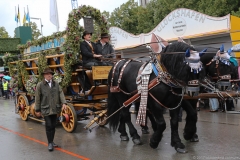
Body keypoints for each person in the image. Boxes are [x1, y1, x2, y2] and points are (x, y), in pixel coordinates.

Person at [35, 68, 67, 151]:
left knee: (53, 125)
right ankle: (49, 143)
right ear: (44, 75)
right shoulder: (40, 85)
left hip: (54, 108)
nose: (49, 75)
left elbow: (60, 93)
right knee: (48, 125)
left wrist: (64, 103)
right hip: (45, 109)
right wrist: (37, 110)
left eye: (51, 74)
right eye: (47, 74)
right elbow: (37, 98)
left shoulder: (56, 84)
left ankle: (52, 141)